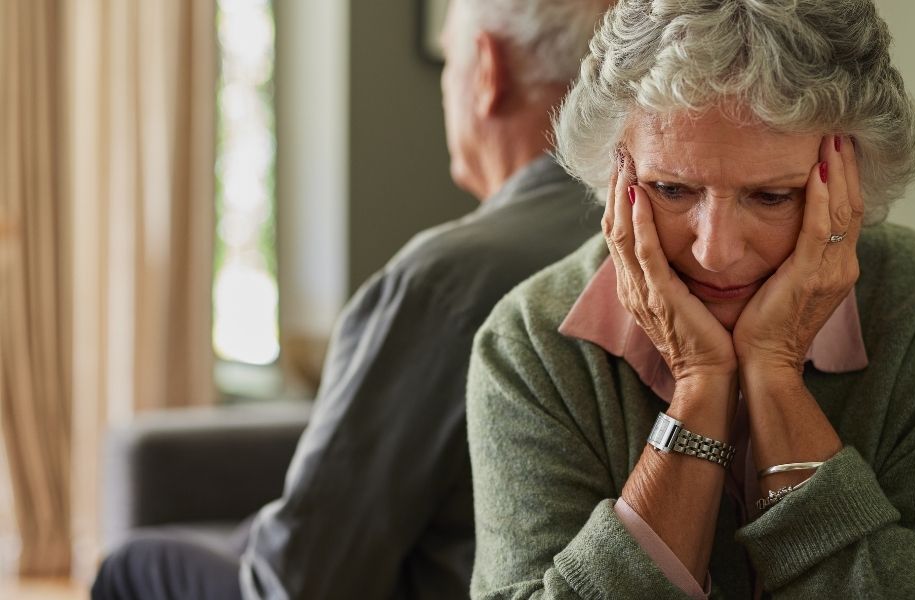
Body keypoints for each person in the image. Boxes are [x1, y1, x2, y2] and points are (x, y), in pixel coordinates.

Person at [465, 0, 915, 598]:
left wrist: (774, 375)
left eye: (771, 197)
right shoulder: (531, 341)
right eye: (671, 189)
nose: (716, 251)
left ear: (857, 178)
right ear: (617, 177)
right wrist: (700, 385)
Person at [91, 0, 610, 598]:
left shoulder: (444, 284)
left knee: (133, 565)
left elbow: (302, 580)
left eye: (449, 64)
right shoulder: (649, 243)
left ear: (487, 71)